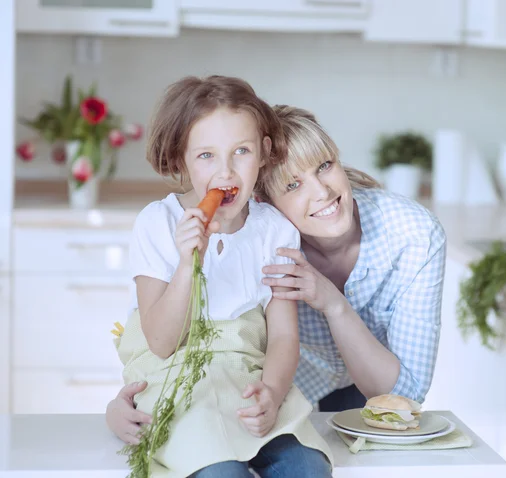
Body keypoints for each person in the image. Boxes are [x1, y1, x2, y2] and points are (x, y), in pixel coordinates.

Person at [107, 103, 447, 448]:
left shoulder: (413, 234)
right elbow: (181, 335)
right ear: (260, 201)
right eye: (293, 185)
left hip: (363, 389)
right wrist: (128, 398)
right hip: (277, 395)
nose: (322, 192)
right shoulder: (259, 237)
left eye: (325, 166)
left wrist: (334, 304)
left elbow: (404, 395)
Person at [114, 76, 332, 478]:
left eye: (241, 152)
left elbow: (284, 336)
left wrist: (271, 393)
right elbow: (161, 343)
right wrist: (187, 264)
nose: (225, 171)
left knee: (308, 467)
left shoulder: (275, 231)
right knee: (220, 473)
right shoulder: (158, 224)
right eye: (206, 156)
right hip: (179, 388)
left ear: (264, 153)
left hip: (249, 385)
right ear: (181, 160)